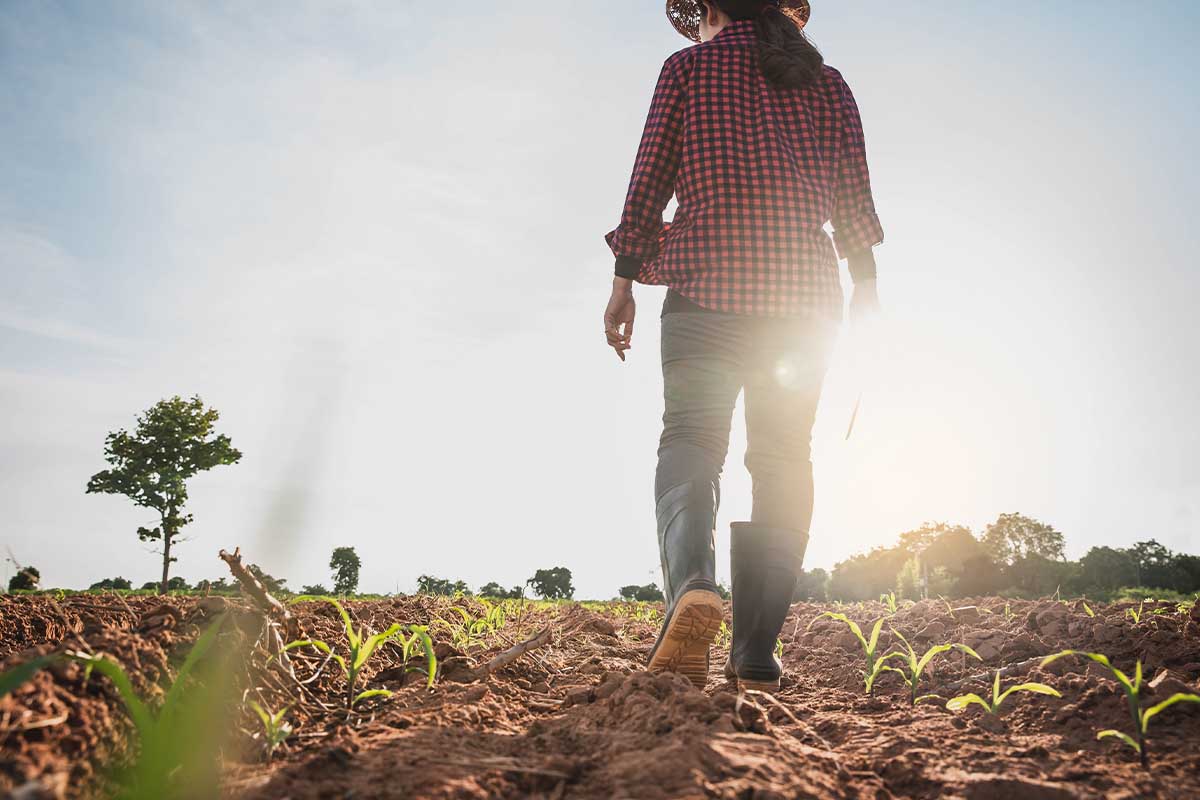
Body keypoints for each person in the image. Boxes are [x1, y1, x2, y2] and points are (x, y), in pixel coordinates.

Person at [602, 0, 883, 692]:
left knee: (692, 437)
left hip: (705, 285)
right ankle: (756, 649)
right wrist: (867, 291)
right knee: (785, 455)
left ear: (713, 10)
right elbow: (853, 200)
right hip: (805, 297)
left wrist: (623, 282)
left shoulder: (687, 70)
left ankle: (691, 590)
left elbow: (648, 186)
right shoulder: (830, 83)